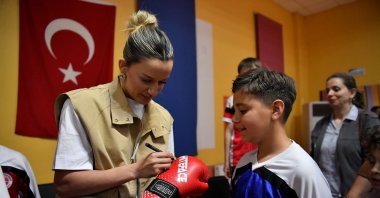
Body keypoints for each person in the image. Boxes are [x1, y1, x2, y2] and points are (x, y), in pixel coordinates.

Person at [53, 10, 176, 197]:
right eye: (146, 80)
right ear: (123, 67)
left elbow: (164, 180)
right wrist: (134, 170)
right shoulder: (82, 105)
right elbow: (66, 185)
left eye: (162, 82)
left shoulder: (164, 118)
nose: (153, 90)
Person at [231, 68, 332, 197]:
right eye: (235, 111)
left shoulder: (304, 172)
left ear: (275, 109)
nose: (234, 118)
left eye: (242, 110)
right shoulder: (243, 164)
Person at [310, 72, 380, 197]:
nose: (330, 94)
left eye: (335, 89)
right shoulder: (321, 125)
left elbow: (372, 162)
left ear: (352, 93)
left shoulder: (368, 120)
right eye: (328, 90)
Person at [223, 57, 262, 178]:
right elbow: (228, 131)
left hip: (261, 155)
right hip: (238, 156)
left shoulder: (265, 99)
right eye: (244, 75)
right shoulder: (232, 100)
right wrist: (226, 161)